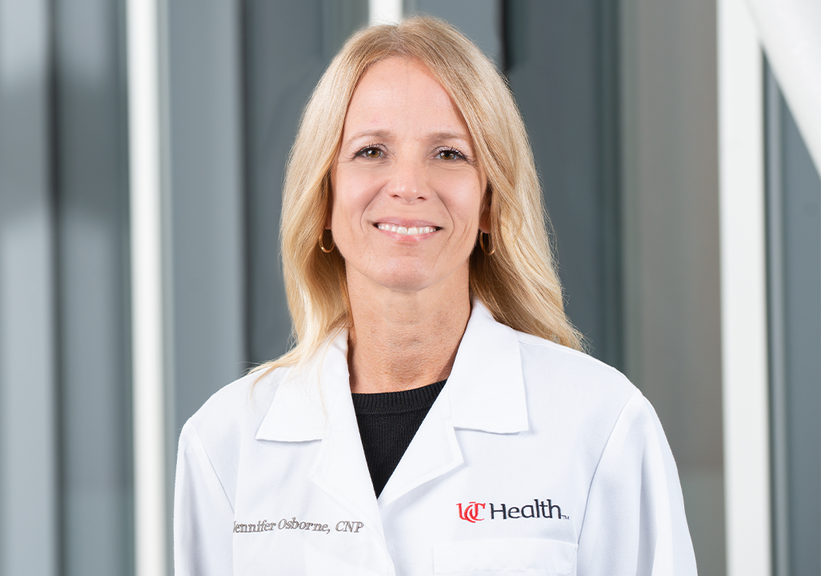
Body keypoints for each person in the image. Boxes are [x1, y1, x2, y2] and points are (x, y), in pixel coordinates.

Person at [174, 16, 697, 576]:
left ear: (490, 203)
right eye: (371, 151)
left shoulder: (600, 424)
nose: (408, 186)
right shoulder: (226, 442)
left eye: (449, 154)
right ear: (324, 197)